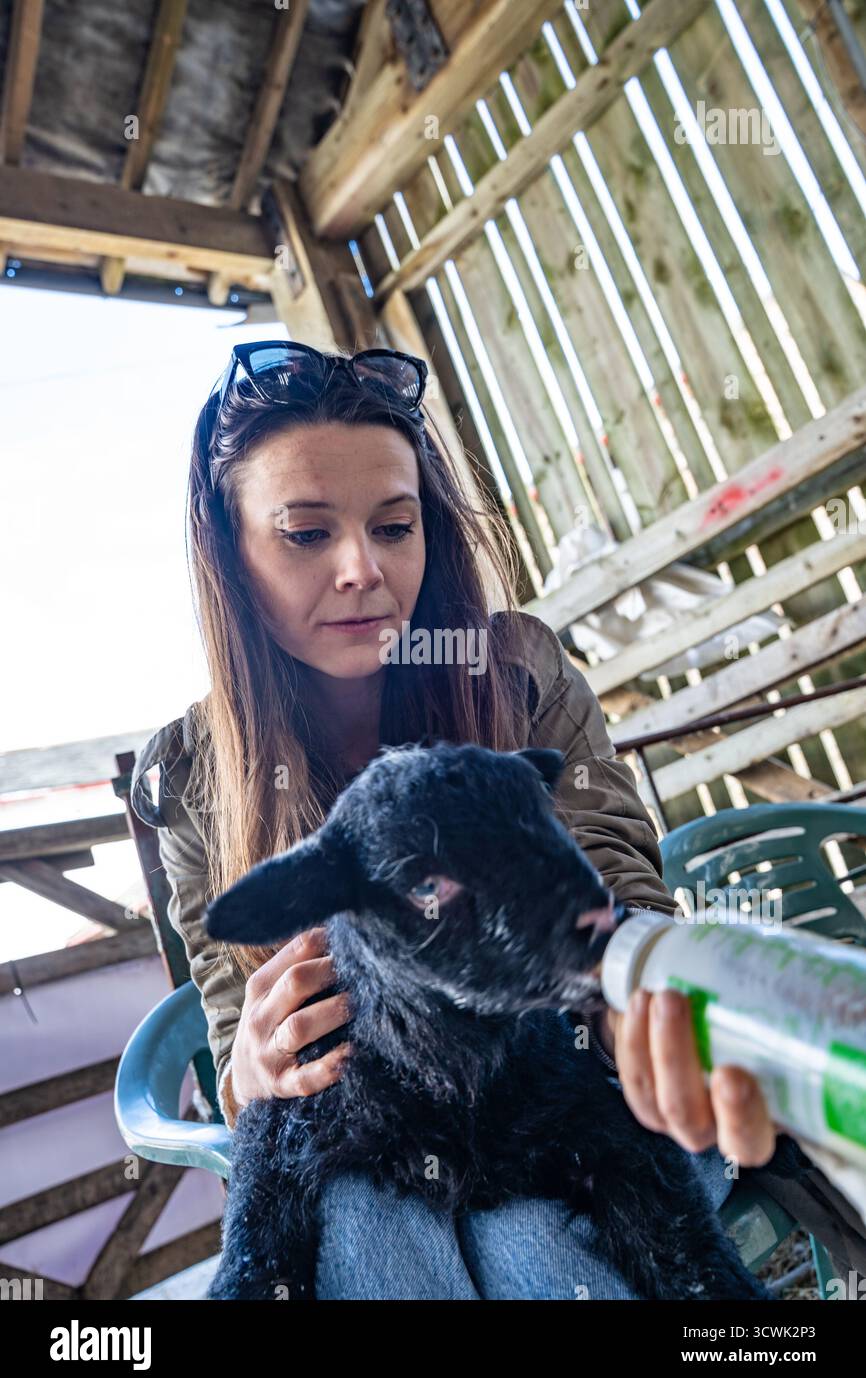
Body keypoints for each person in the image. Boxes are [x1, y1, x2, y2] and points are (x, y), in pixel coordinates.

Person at [131, 340, 861, 1298]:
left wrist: (633, 992)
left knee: (537, 1251)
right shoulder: (192, 774)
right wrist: (255, 1067)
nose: (363, 568)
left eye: (394, 526)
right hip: (374, 1123)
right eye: (307, 535)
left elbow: (612, 878)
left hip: (565, 1095)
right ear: (230, 557)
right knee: (366, 1233)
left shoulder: (512, 670)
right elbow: (235, 1038)